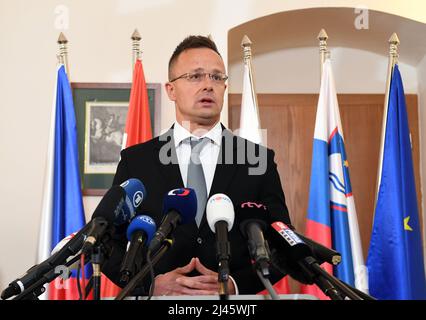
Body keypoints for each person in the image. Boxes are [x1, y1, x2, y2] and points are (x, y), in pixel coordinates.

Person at [102, 35, 292, 296]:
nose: (208, 85)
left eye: (217, 77)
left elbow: (284, 243)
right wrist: (149, 284)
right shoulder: (136, 161)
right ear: (171, 89)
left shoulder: (257, 159)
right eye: (195, 76)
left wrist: (236, 285)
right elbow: (106, 243)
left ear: (225, 88)